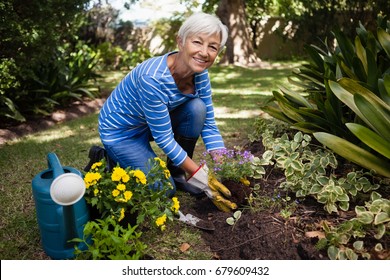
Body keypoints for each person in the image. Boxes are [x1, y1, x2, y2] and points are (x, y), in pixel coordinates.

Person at [88, 12, 236, 212]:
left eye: (212, 47)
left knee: (197, 108)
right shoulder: (153, 78)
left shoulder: (200, 74)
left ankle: (177, 174)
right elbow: (164, 138)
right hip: (121, 133)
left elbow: (208, 123)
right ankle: (109, 158)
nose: (204, 52)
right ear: (181, 42)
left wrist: (227, 166)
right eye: (197, 42)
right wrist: (202, 177)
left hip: (149, 122)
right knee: (164, 190)